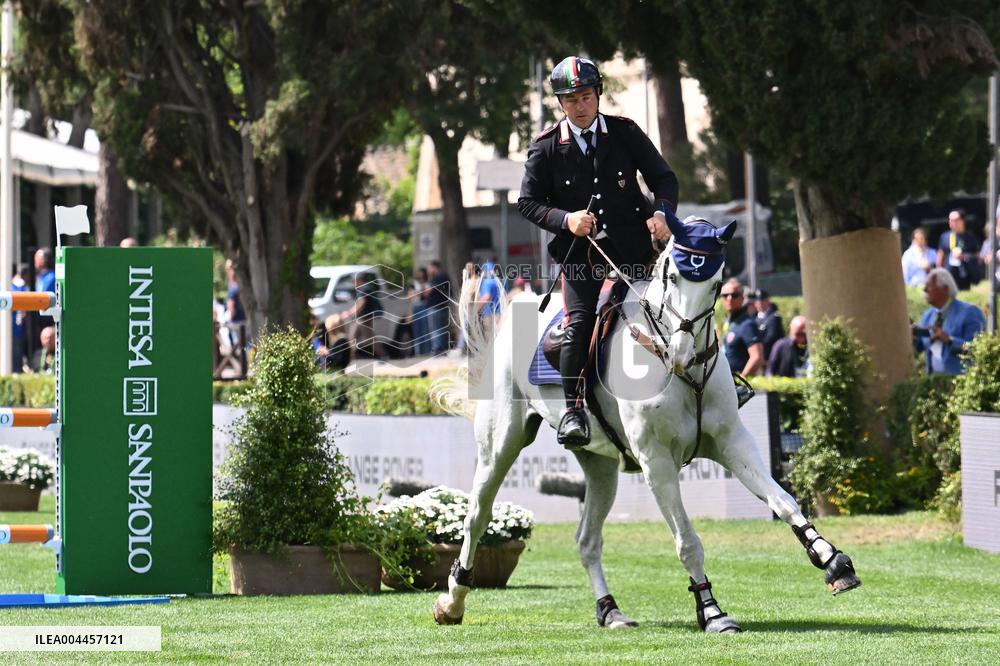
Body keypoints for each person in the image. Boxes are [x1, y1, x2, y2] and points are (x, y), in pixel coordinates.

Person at [518, 55, 678, 448]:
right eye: (571, 99)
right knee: (579, 325)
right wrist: (565, 219)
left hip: (638, 250)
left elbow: (663, 177)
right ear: (560, 103)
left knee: (680, 307)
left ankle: (716, 387)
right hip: (580, 258)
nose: (580, 105)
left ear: (598, 94)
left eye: (586, 96)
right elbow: (527, 202)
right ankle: (573, 411)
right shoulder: (546, 148)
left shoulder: (625, 133)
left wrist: (661, 212)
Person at [913, 268, 985, 375]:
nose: (924, 289)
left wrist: (949, 340)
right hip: (932, 385)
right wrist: (911, 335)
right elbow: (918, 348)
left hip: (960, 383)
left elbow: (978, 349)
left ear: (945, 288)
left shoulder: (969, 312)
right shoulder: (927, 315)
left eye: (929, 286)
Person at [721, 279, 764, 377]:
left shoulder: (747, 324)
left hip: (738, 386)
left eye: (734, 295)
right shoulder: (729, 321)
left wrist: (741, 381)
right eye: (725, 295)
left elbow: (757, 357)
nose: (729, 298)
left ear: (742, 298)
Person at [335, 272, 383, 359]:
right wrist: (350, 312)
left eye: (354, 281)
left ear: (359, 280)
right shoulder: (363, 289)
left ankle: (382, 355)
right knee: (353, 336)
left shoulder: (364, 289)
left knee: (368, 338)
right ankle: (350, 356)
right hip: (362, 318)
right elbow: (358, 304)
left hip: (364, 318)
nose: (353, 283)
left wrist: (348, 313)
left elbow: (361, 304)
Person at [936, 209, 980, 290]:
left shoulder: (970, 237)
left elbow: (978, 256)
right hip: (949, 276)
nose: (952, 222)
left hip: (965, 276)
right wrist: (939, 274)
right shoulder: (945, 236)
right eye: (950, 220)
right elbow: (940, 256)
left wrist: (964, 256)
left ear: (963, 221)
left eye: (955, 220)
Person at [426, 260, 453, 355]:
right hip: (444, 306)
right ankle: (443, 348)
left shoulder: (437, 277)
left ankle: (437, 349)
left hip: (435, 307)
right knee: (442, 329)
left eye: (429, 268)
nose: (428, 270)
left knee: (435, 329)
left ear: (434, 267)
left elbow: (428, 291)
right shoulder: (445, 276)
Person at [749, 288, 784, 360]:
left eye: (762, 300)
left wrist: (757, 347)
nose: (760, 303)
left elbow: (770, 338)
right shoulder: (754, 317)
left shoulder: (774, 317)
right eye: (757, 301)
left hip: (771, 355)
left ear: (768, 301)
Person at [10, 264, 29, 373]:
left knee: (16, 359)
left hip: (16, 329)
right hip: (16, 329)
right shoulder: (19, 286)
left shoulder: (18, 286)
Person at [409, 267, 431, 356]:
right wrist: (417, 292)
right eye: (419, 277)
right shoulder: (414, 284)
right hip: (416, 307)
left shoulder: (427, 284)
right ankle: (418, 352)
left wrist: (419, 291)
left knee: (425, 330)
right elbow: (409, 297)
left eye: (422, 277)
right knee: (417, 331)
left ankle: (428, 351)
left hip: (424, 307)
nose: (421, 278)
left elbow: (427, 295)